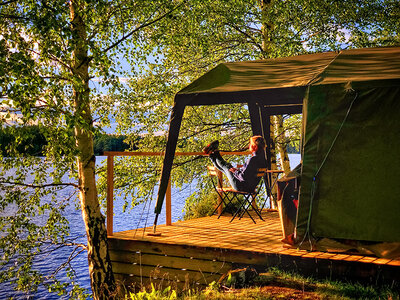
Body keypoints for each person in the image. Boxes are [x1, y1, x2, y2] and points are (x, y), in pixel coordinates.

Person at [203, 136, 268, 193]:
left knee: (227, 166)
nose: (249, 145)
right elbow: (248, 174)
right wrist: (237, 170)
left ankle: (212, 152)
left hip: (240, 185)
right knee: (225, 169)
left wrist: (235, 171)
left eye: (250, 144)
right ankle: (211, 153)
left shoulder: (253, 160)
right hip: (250, 188)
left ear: (255, 147)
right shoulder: (264, 160)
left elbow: (243, 177)